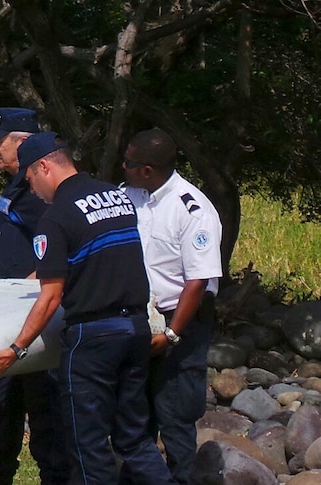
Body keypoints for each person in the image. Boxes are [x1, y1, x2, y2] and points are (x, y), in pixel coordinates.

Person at [0, 132, 176, 485]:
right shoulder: (116, 197)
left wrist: (16, 348)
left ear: (44, 166)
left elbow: (51, 295)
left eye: (31, 179)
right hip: (135, 330)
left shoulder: (56, 218)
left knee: (88, 447)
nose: (34, 190)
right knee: (134, 440)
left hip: (93, 338)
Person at [0, 107, 71, 485]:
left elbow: (57, 257)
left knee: (46, 424)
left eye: (0, 142)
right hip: (0, 322)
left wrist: (28, 287)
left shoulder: (41, 195)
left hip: (33, 323)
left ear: (25, 142)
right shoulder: (16, 187)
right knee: (0, 418)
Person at [121, 128, 222, 484]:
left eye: (129, 163)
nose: (123, 167)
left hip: (179, 320)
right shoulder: (126, 196)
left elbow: (197, 281)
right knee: (135, 413)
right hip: (134, 316)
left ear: (148, 169)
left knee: (176, 416)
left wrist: (172, 334)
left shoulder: (192, 208)